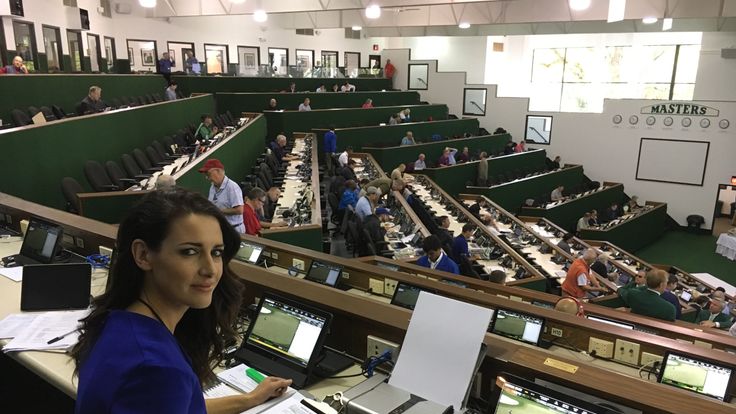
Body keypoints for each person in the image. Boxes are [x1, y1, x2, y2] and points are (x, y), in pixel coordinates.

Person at [72, 189, 291, 413]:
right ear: (143, 255)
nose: (210, 270)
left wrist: (249, 399)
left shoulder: (116, 321)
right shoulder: (157, 368)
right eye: (189, 252)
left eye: (216, 253)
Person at [199, 159, 244, 234]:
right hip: (220, 229)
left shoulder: (232, 187)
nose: (207, 178)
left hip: (234, 230)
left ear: (218, 171)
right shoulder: (212, 187)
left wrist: (218, 211)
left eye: (208, 174)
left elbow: (239, 210)